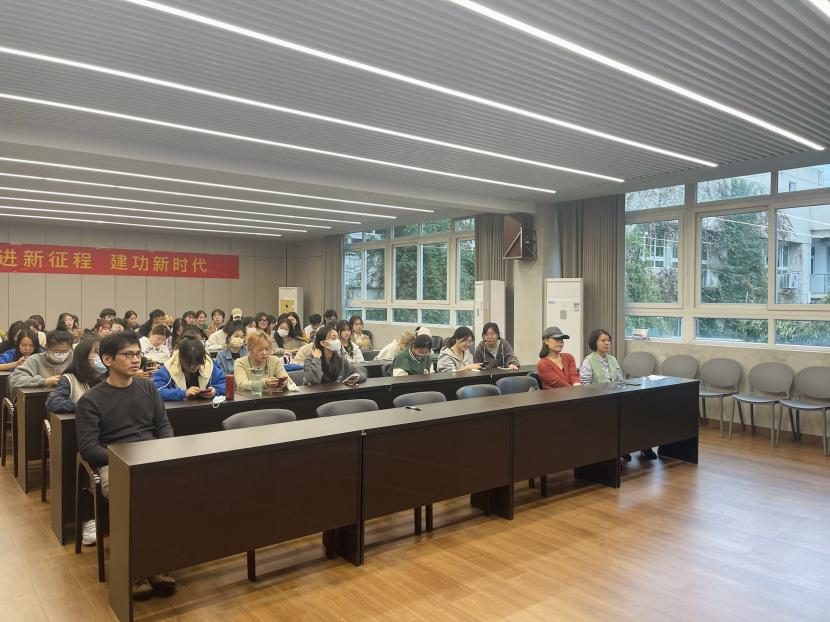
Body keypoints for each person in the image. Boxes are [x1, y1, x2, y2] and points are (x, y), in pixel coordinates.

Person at [74, 331, 176, 598]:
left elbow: (163, 427)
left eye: (138, 354)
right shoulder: (90, 400)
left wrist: (161, 451)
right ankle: (136, 571)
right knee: (134, 498)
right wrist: (126, 458)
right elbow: (90, 449)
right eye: (128, 355)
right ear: (107, 360)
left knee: (178, 490)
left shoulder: (147, 387)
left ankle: (157, 563)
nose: (135, 360)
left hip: (150, 459)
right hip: (115, 465)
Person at [153, 337, 225, 401]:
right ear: (181, 358)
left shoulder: (208, 365)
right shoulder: (169, 368)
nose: (194, 366)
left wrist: (216, 390)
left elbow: (226, 383)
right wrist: (184, 393)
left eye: (198, 362)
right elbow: (156, 391)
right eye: (190, 362)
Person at [46, 337, 105, 413]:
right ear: (84, 355)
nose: (103, 356)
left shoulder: (112, 377)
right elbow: (54, 403)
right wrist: (86, 406)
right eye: (97, 352)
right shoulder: (69, 379)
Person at [9, 329, 74, 389]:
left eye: (65, 351)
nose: (61, 355)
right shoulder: (35, 360)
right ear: (47, 347)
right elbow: (15, 379)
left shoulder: (74, 358)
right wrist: (43, 381)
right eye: (57, 351)